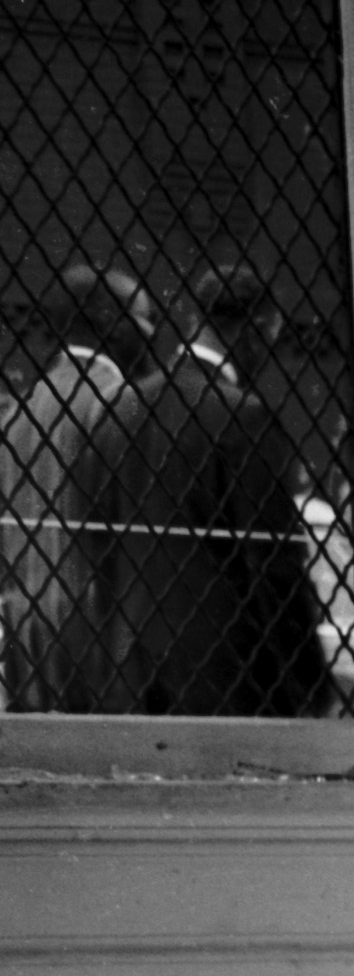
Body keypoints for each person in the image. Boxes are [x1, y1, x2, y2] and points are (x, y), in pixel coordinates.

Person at [67, 269, 331, 716]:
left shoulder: (119, 409)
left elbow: (94, 543)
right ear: (257, 329)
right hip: (226, 682)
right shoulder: (243, 417)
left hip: (127, 675)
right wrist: (309, 684)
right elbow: (273, 564)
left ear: (196, 320)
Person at [1, 267, 154, 709]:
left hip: (23, 640)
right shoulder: (121, 403)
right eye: (143, 323)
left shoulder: (20, 410)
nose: (150, 337)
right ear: (111, 323)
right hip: (99, 644)